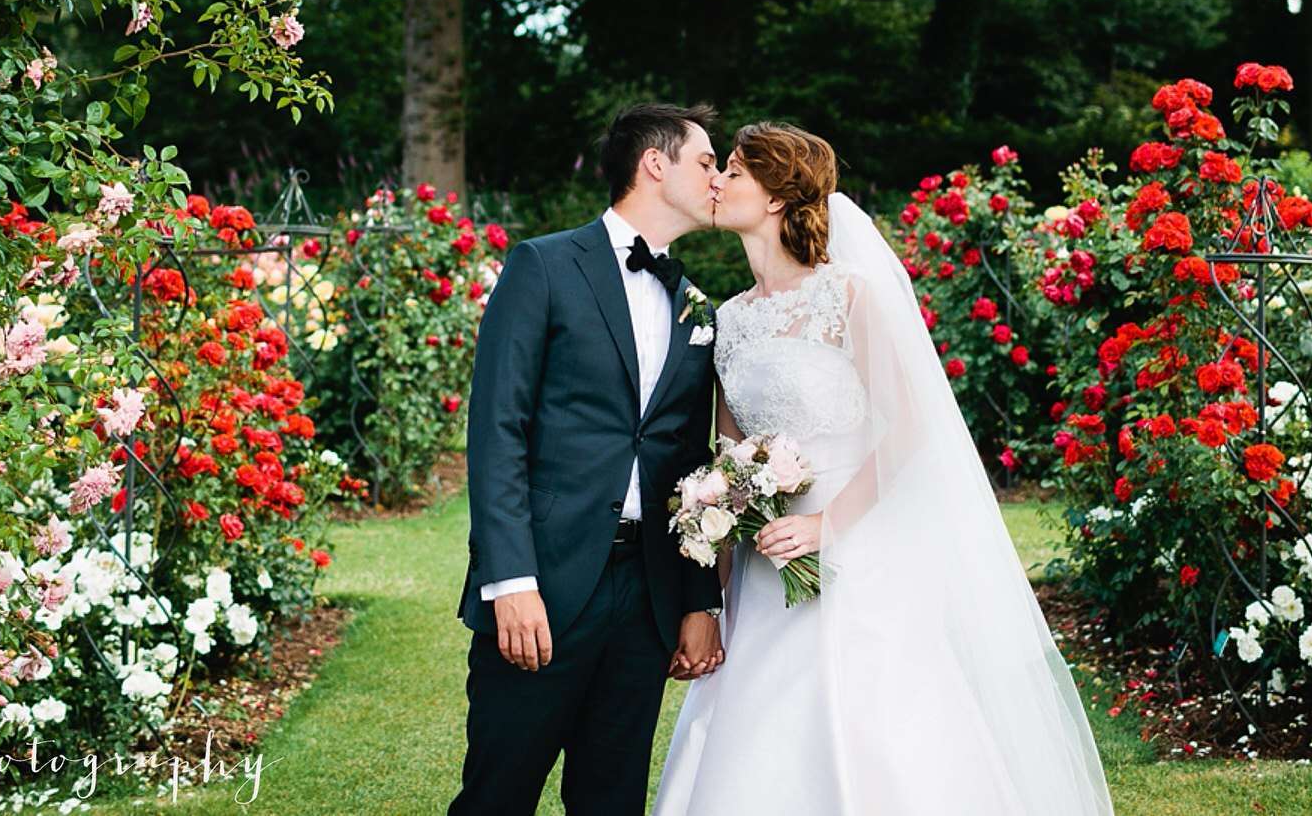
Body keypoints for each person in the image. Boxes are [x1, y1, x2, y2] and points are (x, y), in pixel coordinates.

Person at [651, 122, 1116, 815]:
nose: (716, 182)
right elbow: (729, 459)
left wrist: (825, 529)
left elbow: (910, 429)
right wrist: (713, 601)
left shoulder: (848, 297)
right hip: (760, 569)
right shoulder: (732, 320)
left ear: (778, 199)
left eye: (736, 174)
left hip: (855, 551)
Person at [450, 103, 729, 816]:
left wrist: (699, 600)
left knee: (611, 802)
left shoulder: (698, 306)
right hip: (543, 583)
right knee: (497, 796)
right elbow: (497, 432)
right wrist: (509, 580)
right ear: (655, 163)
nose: (718, 177)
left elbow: (694, 466)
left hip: (645, 598)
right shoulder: (542, 265)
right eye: (705, 161)